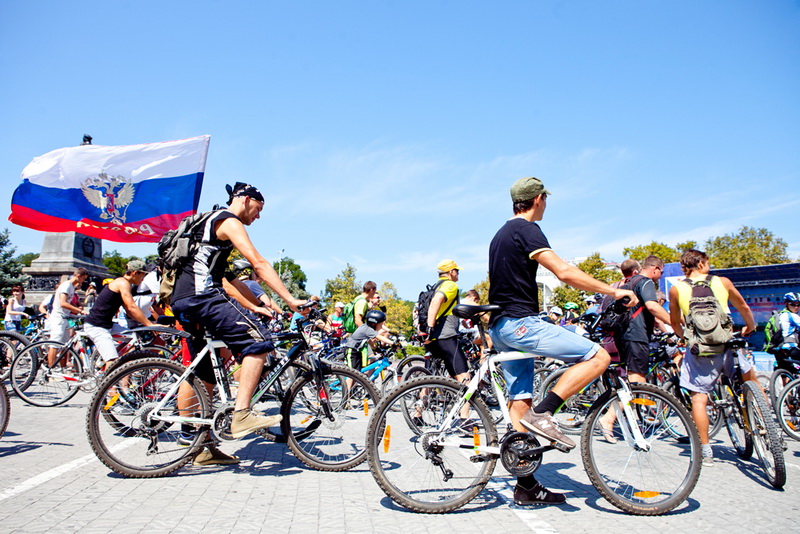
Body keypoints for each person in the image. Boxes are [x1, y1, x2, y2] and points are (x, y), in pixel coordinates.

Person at [487, 176, 637, 506]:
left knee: (520, 402)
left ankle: (526, 485)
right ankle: (545, 413)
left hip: (501, 328)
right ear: (538, 199)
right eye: (545, 199)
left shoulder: (500, 234)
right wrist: (613, 290)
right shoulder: (527, 230)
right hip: (521, 325)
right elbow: (564, 273)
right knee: (599, 358)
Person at [170, 182, 305, 465]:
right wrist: (291, 299)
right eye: (258, 209)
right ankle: (241, 414)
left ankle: (201, 447)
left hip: (183, 298)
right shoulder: (228, 221)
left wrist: (259, 304)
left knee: (203, 373)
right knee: (259, 342)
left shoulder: (208, 225)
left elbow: (230, 280)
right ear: (244, 200)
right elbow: (258, 263)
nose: (258, 217)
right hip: (200, 297)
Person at [668, 248, 756, 467]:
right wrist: (750, 326)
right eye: (707, 264)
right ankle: (767, 429)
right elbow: (743, 306)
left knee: (699, 397)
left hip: (701, 350)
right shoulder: (722, 282)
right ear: (700, 264)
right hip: (727, 344)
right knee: (750, 380)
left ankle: (706, 451)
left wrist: (685, 339)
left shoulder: (676, 289)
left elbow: (675, 322)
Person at [597, 255, 672, 442]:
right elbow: (653, 307)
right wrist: (676, 325)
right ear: (655, 268)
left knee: (629, 381)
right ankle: (609, 419)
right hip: (636, 336)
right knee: (635, 381)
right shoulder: (645, 283)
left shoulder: (625, 284)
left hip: (623, 336)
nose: (660, 276)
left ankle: (623, 420)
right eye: (661, 272)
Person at [84, 260, 155, 366]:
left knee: (133, 337)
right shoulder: (122, 283)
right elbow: (131, 307)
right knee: (112, 362)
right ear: (135, 273)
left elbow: (128, 310)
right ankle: (108, 374)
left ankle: (107, 361)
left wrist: (146, 324)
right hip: (96, 326)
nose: (143, 279)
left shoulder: (125, 284)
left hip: (107, 324)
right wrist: (150, 324)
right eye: (142, 275)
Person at [423, 260, 471, 385]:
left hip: (436, 338)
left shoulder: (436, 285)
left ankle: (421, 403)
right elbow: (436, 301)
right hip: (446, 335)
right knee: (464, 377)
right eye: (457, 271)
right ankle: (466, 405)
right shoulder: (450, 285)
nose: (458, 274)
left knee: (437, 374)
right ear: (451, 272)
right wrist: (430, 326)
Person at [46, 268, 88, 366]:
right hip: (58, 318)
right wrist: (80, 311)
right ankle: (50, 370)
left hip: (65, 318)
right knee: (55, 344)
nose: (83, 281)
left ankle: (62, 368)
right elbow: (63, 303)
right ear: (78, 276)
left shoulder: (72, 287)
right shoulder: (66, 286)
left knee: (65, 346)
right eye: (83, 278)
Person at [770, 292, 800, 374]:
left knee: (786, 373)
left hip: (779, 348)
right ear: (786, 303)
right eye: (793, 304)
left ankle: (788, 387)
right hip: (791, 348)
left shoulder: (778, 315)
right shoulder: (792, 316)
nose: (796, 307)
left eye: (798, 305)